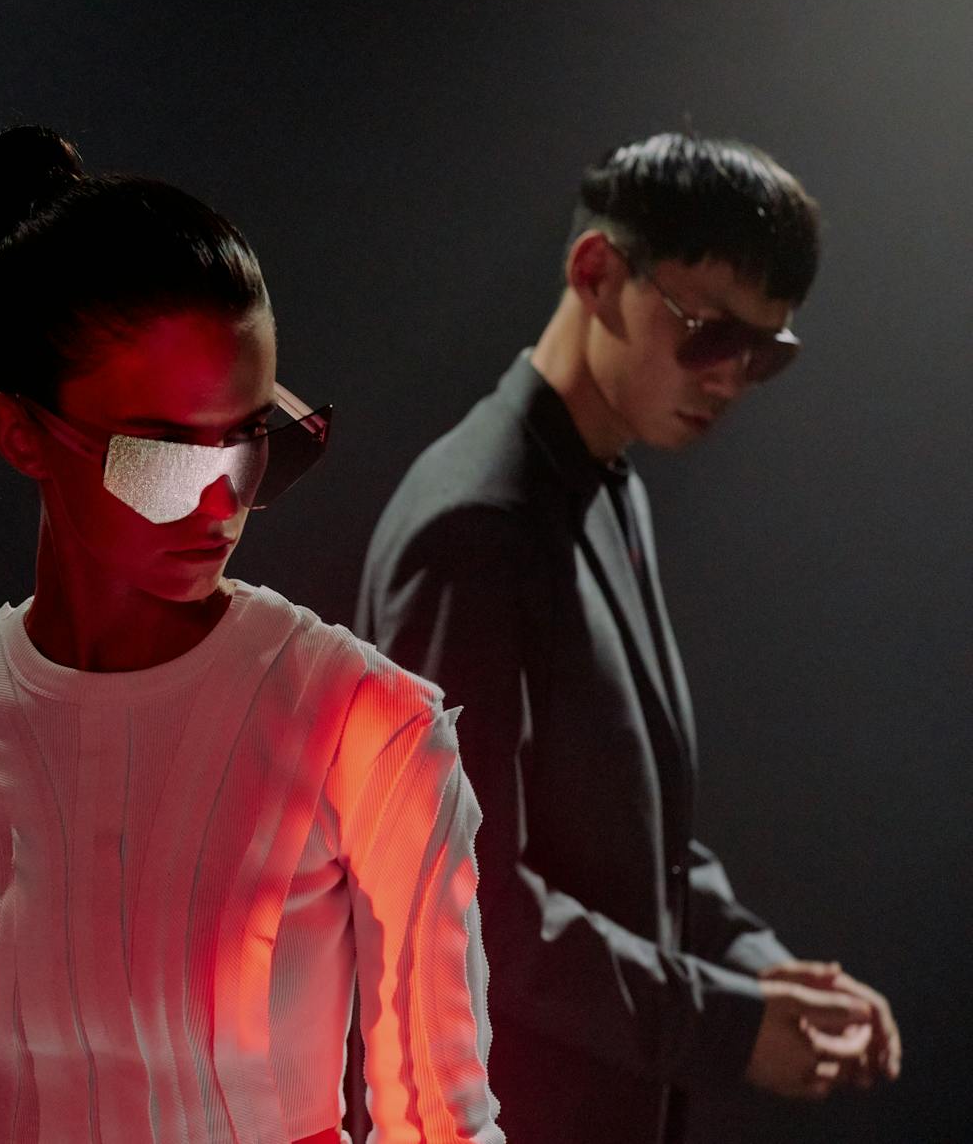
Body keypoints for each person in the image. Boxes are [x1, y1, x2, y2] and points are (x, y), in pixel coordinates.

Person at [0, 126, 504, 1143]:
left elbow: (443, 1124)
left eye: (251, 446)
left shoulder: (365, 727)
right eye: (160, 454)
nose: (218, 504)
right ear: (19, 435)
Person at [356, 133, 901, 1142]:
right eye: (705, 333)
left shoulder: (607, 486)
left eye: (765, 352)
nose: (731, 378)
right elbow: (465, 908)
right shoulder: (473, 527)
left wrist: (754, 965)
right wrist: (727, 1022)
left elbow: (625, 835)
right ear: (595, 273)